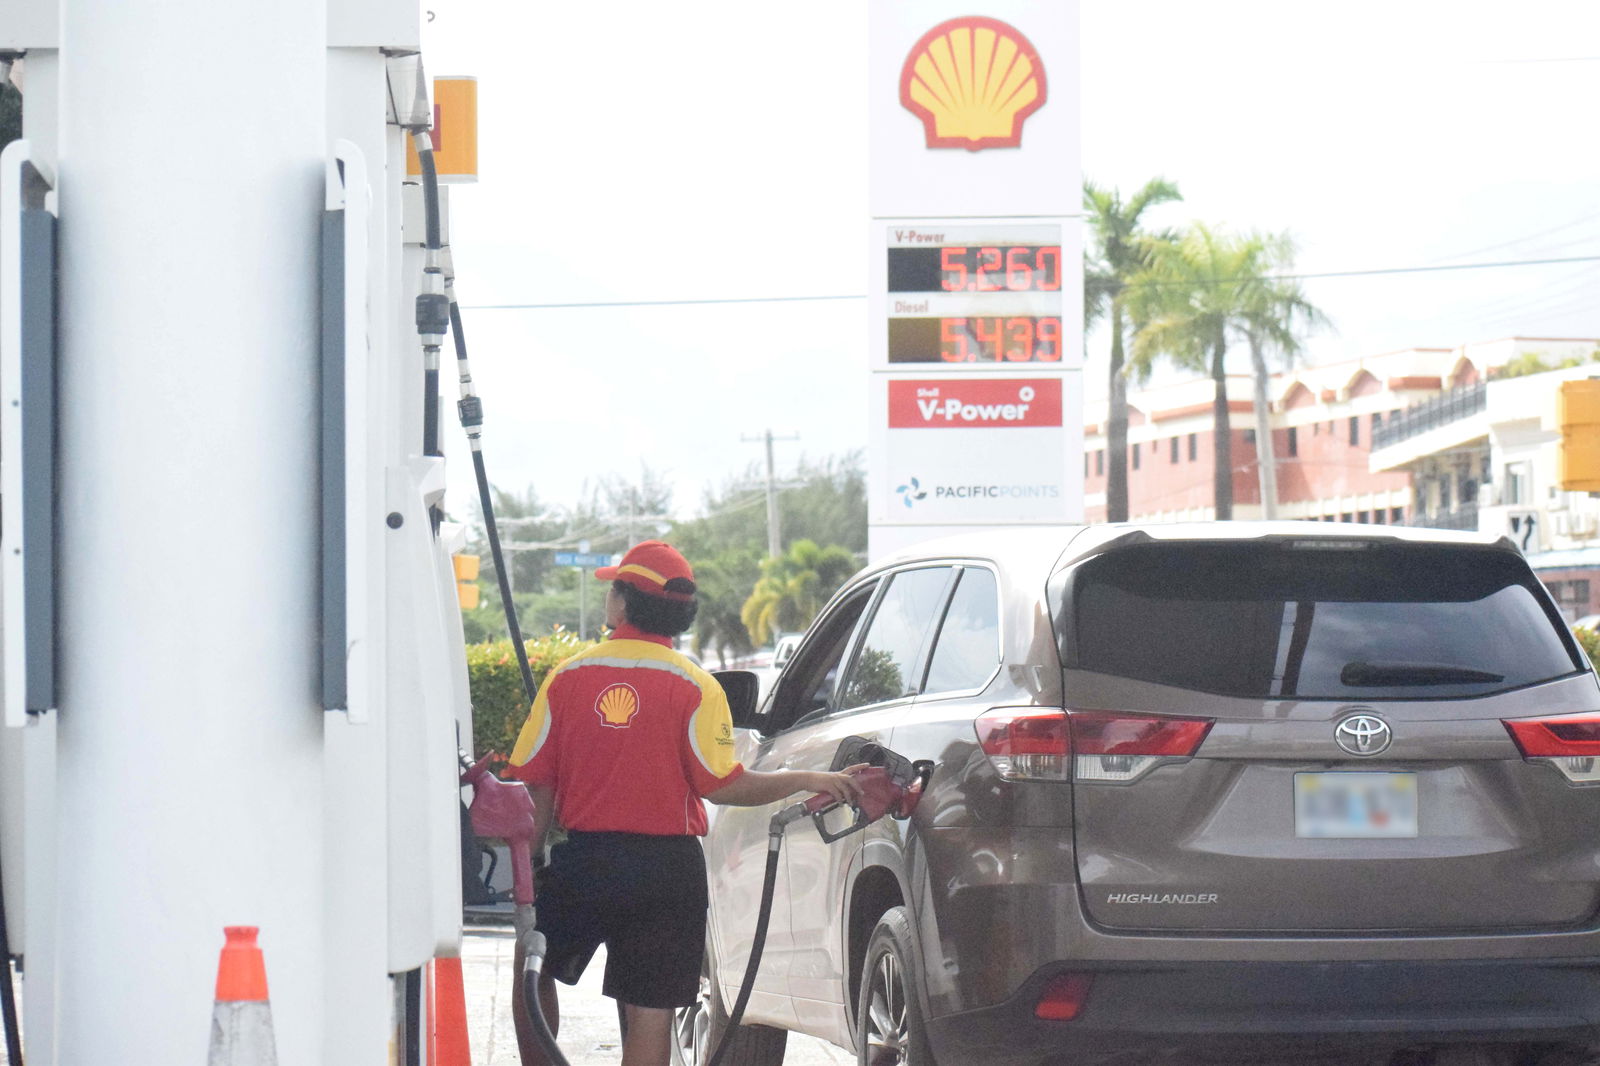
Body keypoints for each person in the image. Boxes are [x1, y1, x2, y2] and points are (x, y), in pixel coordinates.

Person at [504, 540, 864, 1066]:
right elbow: (722, 785)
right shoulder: (696, 685)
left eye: (614, 588)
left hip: (588, 862)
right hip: (667, 873)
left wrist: (528, 870)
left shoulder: (568, 677)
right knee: (650, 1011)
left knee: (531, 964)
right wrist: (808, 778)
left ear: (623, 603)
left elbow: (537, 784)